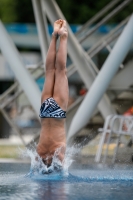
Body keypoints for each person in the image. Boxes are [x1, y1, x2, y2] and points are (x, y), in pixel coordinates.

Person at [36, 19, 69, 168]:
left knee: (60, 72)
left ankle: (63, 37)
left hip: (58, 113)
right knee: (50, 72)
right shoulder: (40, 153)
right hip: (45, 111)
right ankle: (54, 36)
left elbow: (63, 175)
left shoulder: (58, 154)